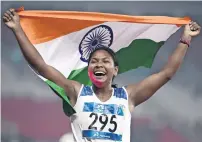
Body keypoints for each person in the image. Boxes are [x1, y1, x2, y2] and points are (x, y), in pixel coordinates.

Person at [3, 8, 201, 142]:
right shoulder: (76, 91)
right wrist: (18, 29)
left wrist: (185, 39)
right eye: (94, 61)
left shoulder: (128, 96)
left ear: (115, 70)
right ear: (89, 69)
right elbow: (40, 65)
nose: (99, 64)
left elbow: (166, 74)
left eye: (105, 61)